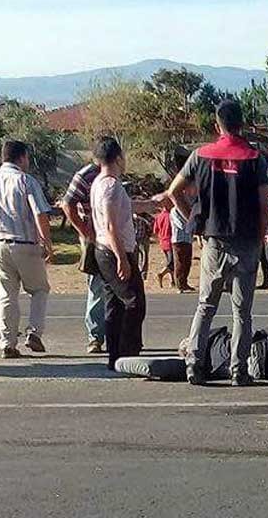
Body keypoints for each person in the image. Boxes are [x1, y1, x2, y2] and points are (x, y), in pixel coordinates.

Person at [166, 99, 268, 387]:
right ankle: (239, 369)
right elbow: (264, 206)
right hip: (247, 241)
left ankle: (194, 364)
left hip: (214, 240)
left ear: (217, 125)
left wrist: (195, 222)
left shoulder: (201, 155)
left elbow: (173, 192)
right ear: (242, 124)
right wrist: (262, 238)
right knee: (242, 312)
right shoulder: (254, 158)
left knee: (205, 305)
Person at [0, 140, 53, 358]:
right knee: (39, 289)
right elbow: (39, 213)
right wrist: (47, 241)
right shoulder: (25, 181)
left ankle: (8, 342)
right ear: (22, 157)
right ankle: (34, 333)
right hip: (25, 243)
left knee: (6, 295)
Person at [90, 137, 152, 370]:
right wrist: (121, 258)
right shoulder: (111, 186)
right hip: (112, 250)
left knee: (114, 304)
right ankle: (128, 353)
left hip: (104, 249)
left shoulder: (101, 183)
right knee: (134, 302)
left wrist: (149, 204)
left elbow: (123, 208)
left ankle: (115, 355)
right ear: (118, 157)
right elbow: (110, 225)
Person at [113, 326, 268, 382]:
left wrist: (119, 363)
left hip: (264, 367)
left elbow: (156, 367)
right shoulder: (212, 334)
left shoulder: (198, 368)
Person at [61, 160, 106, 353]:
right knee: (97, 286)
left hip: (114, 236)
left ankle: (118, 334)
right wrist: (86, 232)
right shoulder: (85, 176)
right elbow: (67, 204)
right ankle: (95, 337)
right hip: (95, 239)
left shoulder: (112, 173)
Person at [170, 185, 196, 293]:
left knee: (187, 262)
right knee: (179, 262)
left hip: (188, 239)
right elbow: (181, 225)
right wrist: (191, 224)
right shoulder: (174, 211)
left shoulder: (189, 208)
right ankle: (179, 285)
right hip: (179, 239)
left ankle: (185, 283)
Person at [152, 204, 174, 288]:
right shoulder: (170, 216)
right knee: (172, 263)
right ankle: (161, 274)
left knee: (169, 261)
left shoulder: (159, 216)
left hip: (163, 242)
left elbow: (155, 230)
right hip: (170, 242)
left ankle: (172, 281)